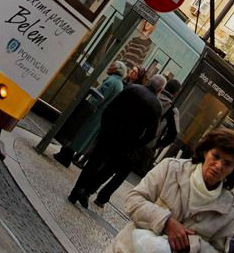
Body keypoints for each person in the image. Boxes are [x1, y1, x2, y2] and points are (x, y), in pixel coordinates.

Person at [77, 127, 234, 253]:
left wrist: (193, 244)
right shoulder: (171, 170)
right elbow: (133, 201)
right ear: (206, 152)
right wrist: (166, 222)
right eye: (216, 156)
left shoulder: (227, 212)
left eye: (227, 163)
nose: (218, 166)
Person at [68, 75, 167, 209]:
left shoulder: (132, 88)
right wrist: (135, 144)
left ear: (149, 81)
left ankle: (75, 192)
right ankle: (86, 191)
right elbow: (151, 134)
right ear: (161, 89)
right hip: (126, 143)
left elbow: (110, 107)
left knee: (93, 163)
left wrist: (105, 126)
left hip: (109, 133)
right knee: (108, 169)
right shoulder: (156, 106)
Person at [93, 78, 182, 208]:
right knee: (122, 173)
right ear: (176, 93)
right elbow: (173, 134)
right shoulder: (172, 110)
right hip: (144, 146)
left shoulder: (148, 95)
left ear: (165, 87)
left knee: (110, 165)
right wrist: (158, 144)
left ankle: (89, 189)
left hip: (129, 137)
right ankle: (102, 198)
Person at [54, 62, 127, 168]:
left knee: (77, 133)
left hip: (93, 112)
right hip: (100, 115)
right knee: (82, 136)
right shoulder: (119, 84)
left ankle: (64, 156)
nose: (109, 67)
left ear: (116, 69)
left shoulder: (111, 81)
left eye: (112, 65)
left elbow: (98, 98)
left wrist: (87, 105)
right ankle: (66, 156)